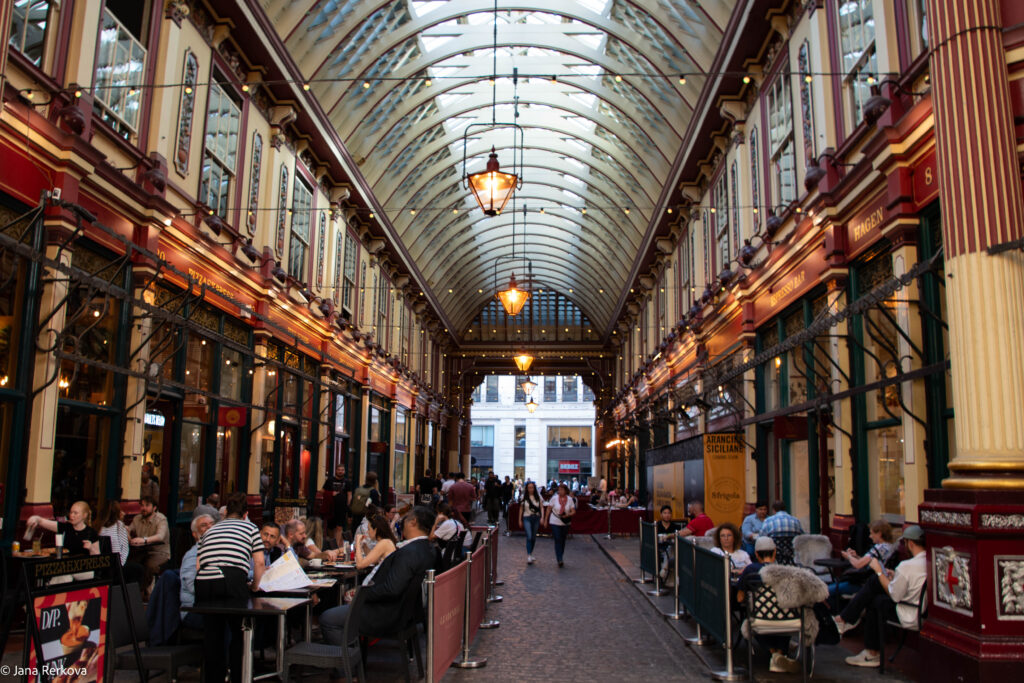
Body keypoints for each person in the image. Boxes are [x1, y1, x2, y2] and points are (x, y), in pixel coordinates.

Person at [319, 506, 438, 658]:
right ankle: (352, 657)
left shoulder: (410, 552)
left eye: (405, 518)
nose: (402, 522)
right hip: (402, 613)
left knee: (328, 618)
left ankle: (347, 667)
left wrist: (360, 594)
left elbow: (391, 589)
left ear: (413, 522)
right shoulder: (425, 549)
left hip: (384, 614)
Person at [194, 492, 265, 683]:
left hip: (204, 581)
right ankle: (237, 676)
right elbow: (259, 562)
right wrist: (255, 586)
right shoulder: (250, 528)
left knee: (213, 634)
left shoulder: (210, 530)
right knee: (239, 631)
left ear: (225, 512)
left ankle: (213, 678)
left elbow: (199, 564)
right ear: (245, 513)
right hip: (231, 579)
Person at [836, 525, 928, 668]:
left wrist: (879, 571)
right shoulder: (927, 562)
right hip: (919, 609)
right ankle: (846, 620)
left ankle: (870, 651)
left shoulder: (907, 565)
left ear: (910, 543)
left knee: (874, 596)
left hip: (907, 612)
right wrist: (892, 576)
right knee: (875, 588)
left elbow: (894, 595)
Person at [735, 536, 801, 674]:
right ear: (774, 552)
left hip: (761, 618)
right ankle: (780, 654)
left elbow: (740, 598)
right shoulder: (786, 570)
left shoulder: (750, 570)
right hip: (788, 618)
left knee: (755, 617)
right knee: (782, 613)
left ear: (757, 554)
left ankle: (773, 654)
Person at [829, 520, 895, 609]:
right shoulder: (889, 546)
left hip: (866, 583)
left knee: (828, 590)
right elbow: (869, 562)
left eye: (872, 534)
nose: (870, 536)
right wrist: (856, 556)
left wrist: (848, 557)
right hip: (876, 581)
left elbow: (858, 565)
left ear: (879, 534)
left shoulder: (879, 548)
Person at [127, 495, 171, 598]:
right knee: (131, 564)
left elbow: (160, 536)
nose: (144, 508)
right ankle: (134, 593)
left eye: (147, 505)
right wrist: (129, 537)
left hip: (159, 552)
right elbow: (128, 529)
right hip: (142, 552)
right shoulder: (137, 518)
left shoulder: (161, 519)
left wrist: (144, 540)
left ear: (154, 508)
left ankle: (148, 594)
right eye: (142, 505)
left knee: (149, 565)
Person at [179, 513, 215, 629]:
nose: (209, 527)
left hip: (211, 607)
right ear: (195, 534)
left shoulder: (216, 551)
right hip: (193, 611)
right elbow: (192, 586)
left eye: (212, 524)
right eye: (204, 525)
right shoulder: (192, 556)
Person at [27, 501, 99, 556]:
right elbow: (43, 522)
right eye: (71, 512)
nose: (71, 515)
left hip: (83, 569)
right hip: (65, 566)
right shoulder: (65, 527)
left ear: (84, 515)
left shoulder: (91, 532)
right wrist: (36, 518)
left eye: (75, 513)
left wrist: (91, 548)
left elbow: (98, 558)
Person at [542, 483, 576, 568]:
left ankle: (560, 555)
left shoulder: (570, 499)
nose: (560, 491)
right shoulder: (554, 499)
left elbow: (573, 511)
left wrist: (567, 515)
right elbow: (548, 509)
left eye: (561, 490)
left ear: (565, 491)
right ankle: (559, 558)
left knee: (563, 540)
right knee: (557, 539)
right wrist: (545, 520)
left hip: (565, 522)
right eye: (559, 490)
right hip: (555, 521)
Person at [324, 464, 352, 547]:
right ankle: (332, 542)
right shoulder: (330, 480)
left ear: (344, 471)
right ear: (336, 471)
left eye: (342, 470)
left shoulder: (347, 482)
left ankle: (336, 545)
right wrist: (331, 493)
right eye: (339, 470)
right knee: (331, 527)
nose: (340, 471)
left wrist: (348, 504)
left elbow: (349, 494)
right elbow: (322, 491)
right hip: (331, 507)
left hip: (342, 507)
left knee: (339, 527)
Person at [519, 481, 544, 565]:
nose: (531, 489)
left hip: (536, 517)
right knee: (529, 536)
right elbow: (521, 509)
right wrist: (519, 519)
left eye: (532, 487)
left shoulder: (538, 497)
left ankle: (531, 553)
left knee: (533, 537)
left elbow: (541, 507)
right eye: (529, 487)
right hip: (527, 517)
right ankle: (529, 555)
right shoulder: (524, 497)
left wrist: (542, 517)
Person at [656, 505, 681, 579]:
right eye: (665, 513)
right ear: (661, 514)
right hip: (661, 549)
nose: (667, 515)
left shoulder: (676, 527)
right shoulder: (657, 526)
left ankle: (664, 570)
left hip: (672, 549)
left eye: (669, 513)